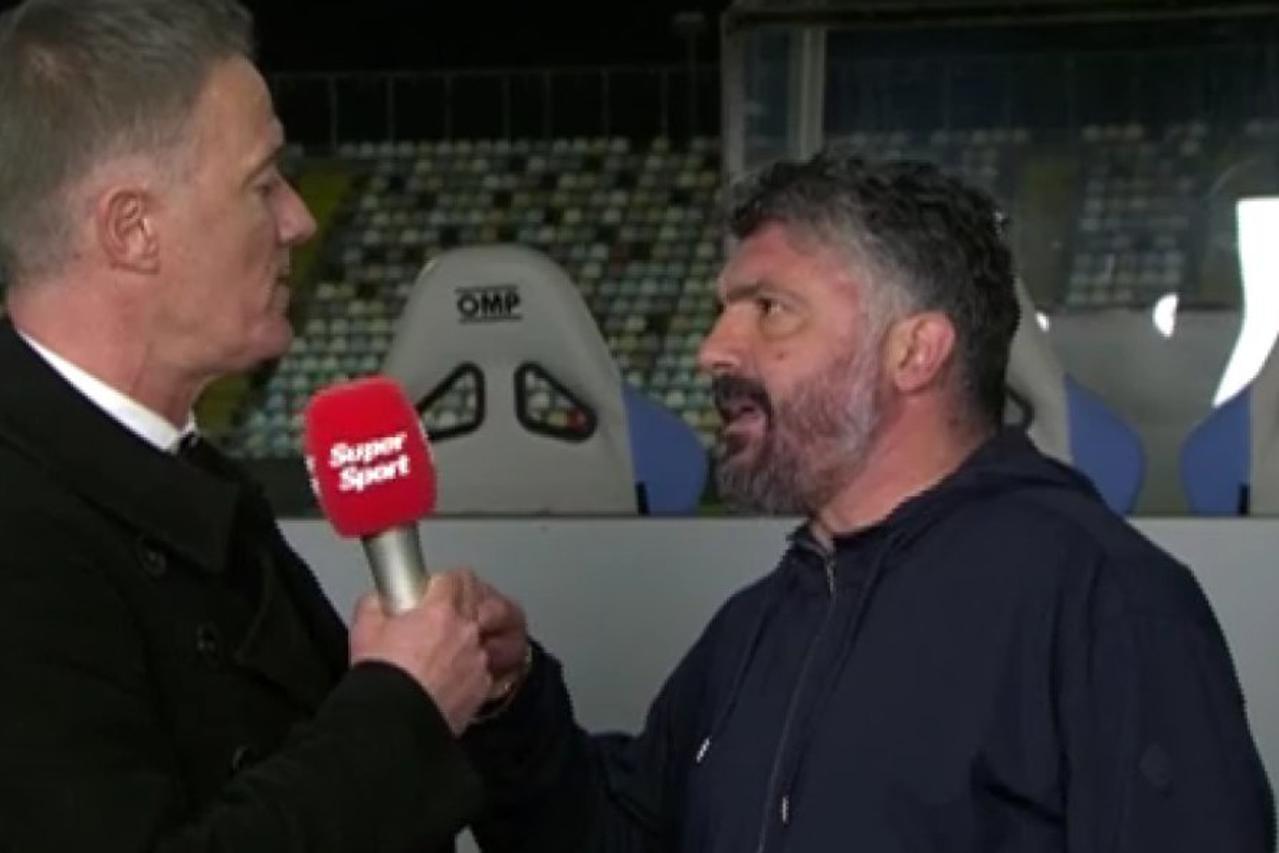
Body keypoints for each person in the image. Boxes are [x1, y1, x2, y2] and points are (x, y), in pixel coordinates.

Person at [465, 151, 1277, 851]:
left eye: (769, 309)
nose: (714, 349)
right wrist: (510, 700)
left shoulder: (1105, 603)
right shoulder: (759, 625)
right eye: (723, 310)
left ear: (914, 350)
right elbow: (628, 835)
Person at [0, 1, 502, 850]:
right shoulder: (23, 538)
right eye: (263, 183)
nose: (299, 220)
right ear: (132, 229)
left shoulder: (188, 480)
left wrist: (462, 682)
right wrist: (399, 706)